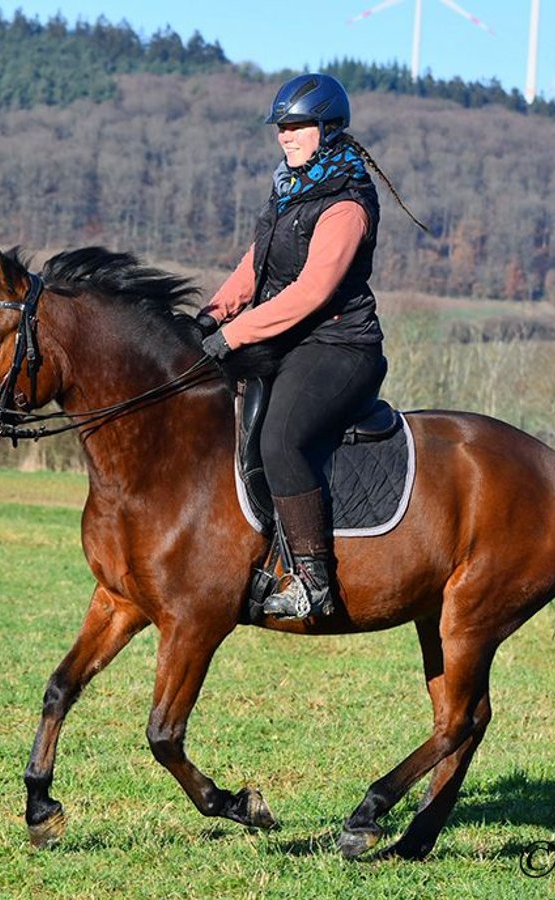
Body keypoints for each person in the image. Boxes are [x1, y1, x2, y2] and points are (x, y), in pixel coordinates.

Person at [197, 73, 423, 620]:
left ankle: (312, 579)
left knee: (279, 437)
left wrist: (232, 335)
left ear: (329, 127)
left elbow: (311, 293)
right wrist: (209, 316)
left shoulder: (347, 204)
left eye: (297, 126)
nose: (285, 136)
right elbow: (255, 267)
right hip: (288, 340)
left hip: (341, 347)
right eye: (282, 127)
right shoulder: (288, 189)